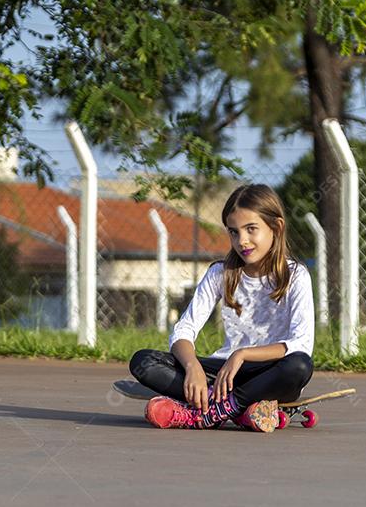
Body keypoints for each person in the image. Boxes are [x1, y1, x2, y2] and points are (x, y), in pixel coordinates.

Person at [129, 184, 314, 432]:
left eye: (251, 229)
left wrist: (242, 354)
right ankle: (239, 410)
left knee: (299, 365)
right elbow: (184, 330)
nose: (242, 241)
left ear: (276, 227)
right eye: (234, 232)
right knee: (144, 361)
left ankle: (207, 413)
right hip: (222, 374)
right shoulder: (221, 273)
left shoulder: (295, 275)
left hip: (269, 372)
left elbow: (301, 343)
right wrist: (192, 366)